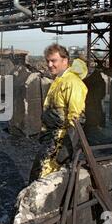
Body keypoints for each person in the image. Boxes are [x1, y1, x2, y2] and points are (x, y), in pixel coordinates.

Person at [29, 44, 88, 182]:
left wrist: (67, 149)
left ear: (65, 60)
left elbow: (78, 118)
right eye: (47, 61)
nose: (49, 65)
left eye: (53, 60)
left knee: (42, 179)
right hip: (51, 139)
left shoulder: (73, 82)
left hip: (60, 142)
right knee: (39, 175)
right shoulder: (59, 80)